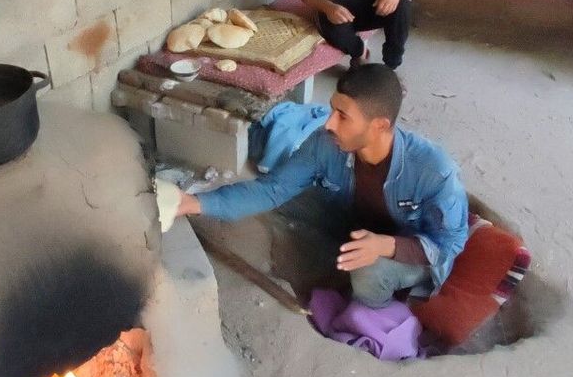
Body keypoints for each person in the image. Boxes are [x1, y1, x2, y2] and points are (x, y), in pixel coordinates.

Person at [176, 65, 468, 307]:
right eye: (332, 110)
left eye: (343, 116)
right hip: (354, 223)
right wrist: (197, 203)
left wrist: (384, 246)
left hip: (408, 249)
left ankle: (376, 311)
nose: (328, 124)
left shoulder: (433, 170)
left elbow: (450, 244)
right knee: (287, 202)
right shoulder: (326, 143)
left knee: (367, 270)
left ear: (379, 125)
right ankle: (321, 267)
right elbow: (272, 190)